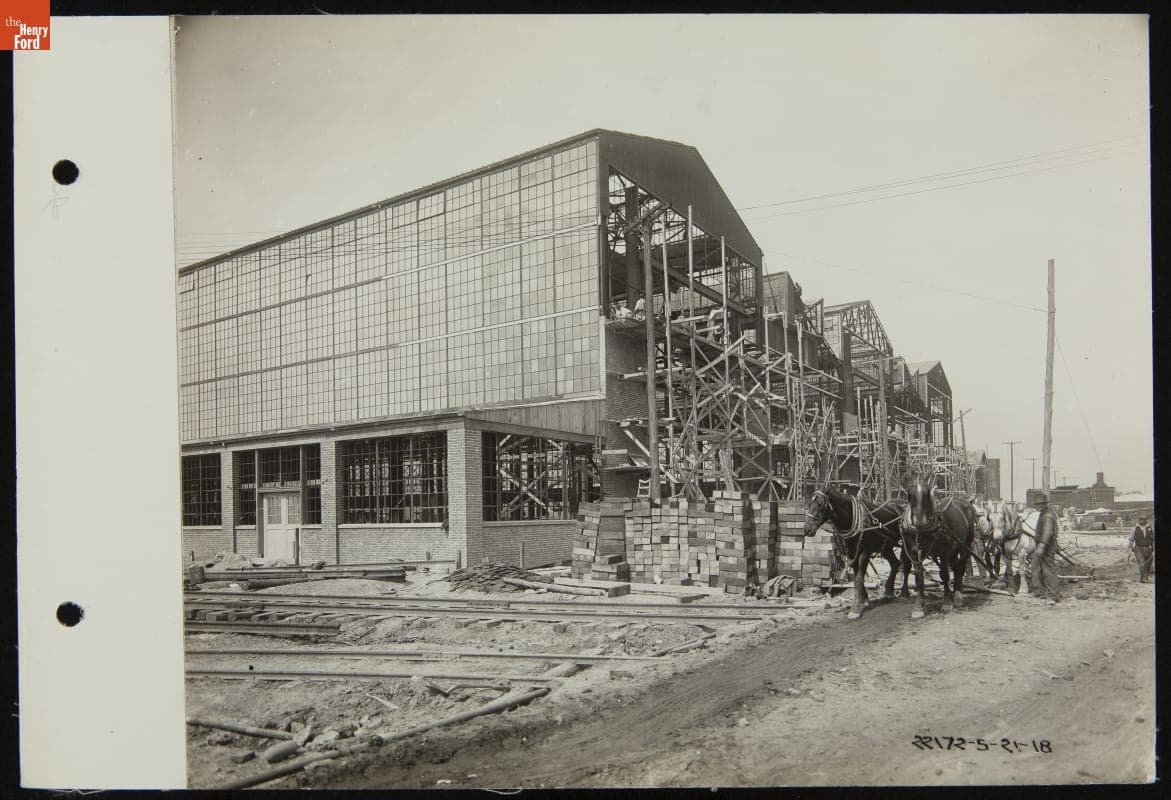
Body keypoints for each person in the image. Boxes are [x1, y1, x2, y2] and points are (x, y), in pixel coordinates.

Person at [1029, 492, 1062, 600]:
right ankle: (1039, 591)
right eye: (1036, 504)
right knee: (1036, 567)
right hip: (1041, 545)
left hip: (1046, 546)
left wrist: (1042, 546)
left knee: (1048, 569)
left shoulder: (1047, 515)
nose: (1037, 506)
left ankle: (1053, 594)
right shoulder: (1043, 513)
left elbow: (1048, 532)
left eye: (1039, 504)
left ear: (1044, 504)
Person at [1130, 516, 1154, 583]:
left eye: (1142, 519)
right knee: (1141, 563)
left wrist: (1154, 549)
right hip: (1138, 548)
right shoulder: (1134, 528)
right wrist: (1130, 549)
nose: (1140, 520)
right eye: (1140, 519)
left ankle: (1143, 577)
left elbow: (1154, 540)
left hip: (1149, 548)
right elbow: (1131, 540)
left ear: (1146, 520)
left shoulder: (1151, 528)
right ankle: (1144, 579)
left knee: (1148, 564)